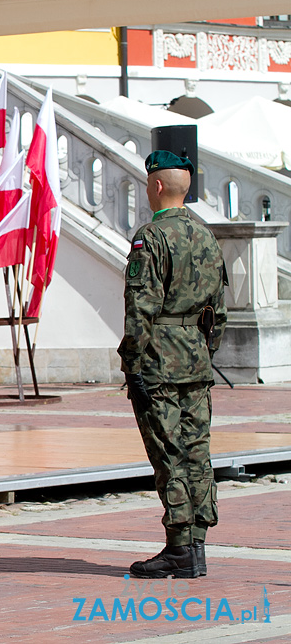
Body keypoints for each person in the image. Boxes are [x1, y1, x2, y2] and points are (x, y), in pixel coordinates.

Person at [120, 150, 228, 580]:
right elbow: (219, 310)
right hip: (195, 361)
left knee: (169, 454)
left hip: (159, 361)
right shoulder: (205, 236)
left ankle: (179, 548)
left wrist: (132, 361)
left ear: (157, 186)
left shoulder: (152, 235)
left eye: (149, 184)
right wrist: (205, 352)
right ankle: (196, 546)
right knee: (198, 452)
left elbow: (140, 305)